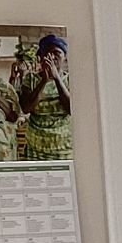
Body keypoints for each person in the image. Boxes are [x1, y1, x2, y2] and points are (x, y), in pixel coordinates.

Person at [17, 33, 73, 162]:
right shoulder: (30, 79)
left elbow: (71, 109)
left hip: (63, 147)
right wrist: (44, 81)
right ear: (41, 57)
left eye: (57, 53)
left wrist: (57, 78)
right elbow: (26, 108)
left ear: (64, 57)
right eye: (47, 53)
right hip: (36, 148)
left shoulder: (69, 80)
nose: (52, 57)